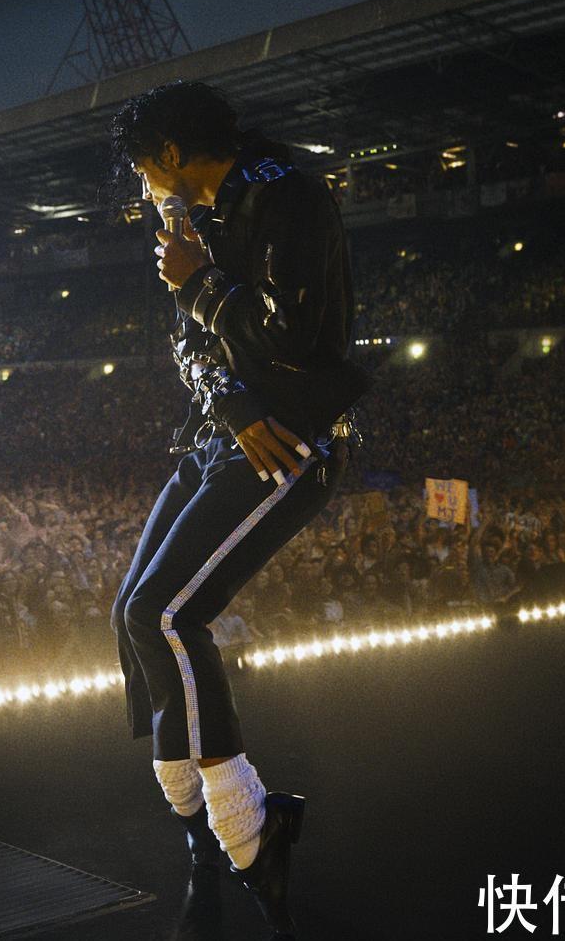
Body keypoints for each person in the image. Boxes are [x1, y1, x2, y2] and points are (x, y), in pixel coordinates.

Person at [106, 79, 369, 939]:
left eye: (144, 168)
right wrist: (230, 398)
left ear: (172, 154)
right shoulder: (197, 217)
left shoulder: (287, 197)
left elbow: (294, 336)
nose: (143, 186)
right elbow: (188, 344)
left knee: (167, 614)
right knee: (131, 615)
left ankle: (250, 834)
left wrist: (202, 284)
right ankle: (203, 839)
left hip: (292, 441)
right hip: (230, 432)